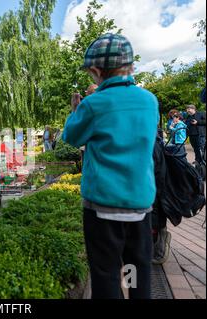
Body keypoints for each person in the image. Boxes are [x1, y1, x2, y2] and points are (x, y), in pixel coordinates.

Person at [62, 33, 159, 299]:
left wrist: (75, 110)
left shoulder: (94, 104)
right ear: (131, 66)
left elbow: (71, 137)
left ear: (96, 71)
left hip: (102, 209)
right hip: (139, 207)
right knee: (135, 269)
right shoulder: (149, 101)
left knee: (105, 273)